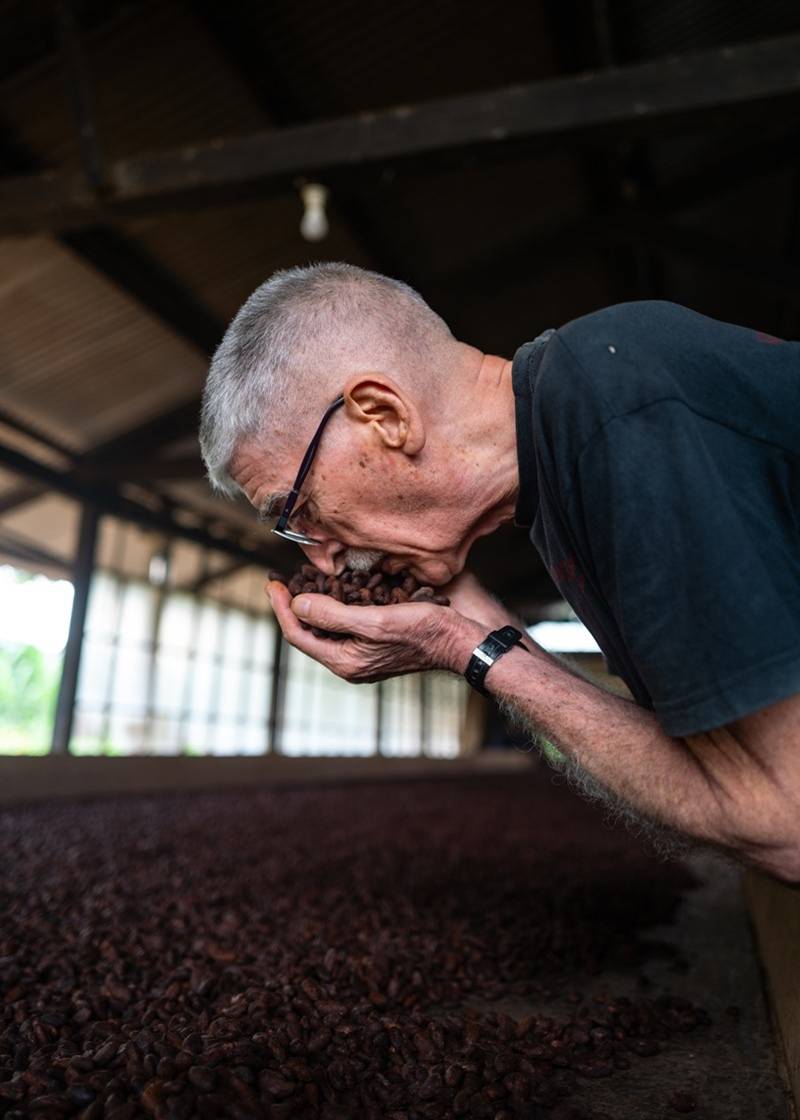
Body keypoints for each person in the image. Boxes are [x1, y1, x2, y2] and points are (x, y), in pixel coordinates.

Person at [199, 262, 800, 883]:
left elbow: (786, 824)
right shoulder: (568, 462)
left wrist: (467, 648)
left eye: (298, 510)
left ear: (384, 415)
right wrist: (474, 628)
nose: (320, 557)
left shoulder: (616, 411)